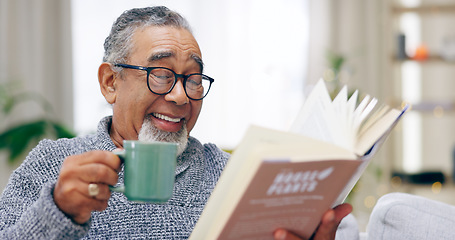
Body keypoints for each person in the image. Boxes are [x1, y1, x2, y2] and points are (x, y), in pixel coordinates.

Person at [0, 6, 352, 239]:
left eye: (193, 79)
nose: (182, 97)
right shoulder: (52, 166)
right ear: (110, 82)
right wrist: (58, 211)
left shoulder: (231, 174)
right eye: (161, 74)